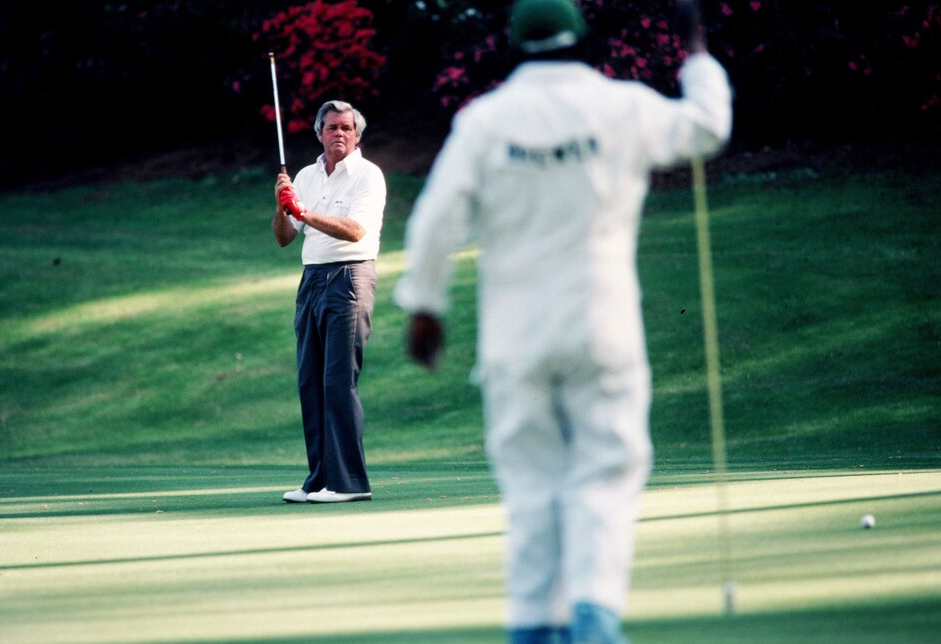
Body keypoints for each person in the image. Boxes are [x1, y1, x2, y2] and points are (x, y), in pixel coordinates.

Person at [393, 0, 731, 641]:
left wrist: (426, 307)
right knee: (604, 475)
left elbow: (435, 220)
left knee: (530, 489)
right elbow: (708, 127)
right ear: (583, 41)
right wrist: (695, 50)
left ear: (514, 46)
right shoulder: (622, 105)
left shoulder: (485, 121)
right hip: (602, 330)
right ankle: (595, 620)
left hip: (515, 340)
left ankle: (533, 629)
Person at [274, 100, 386, 504]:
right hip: (312, 279)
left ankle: (350, 482)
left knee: (338, 379)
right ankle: (320, 479)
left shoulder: (368, 176)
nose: (340, 133)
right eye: (332, 127)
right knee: (310, 380)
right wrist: (282, 205)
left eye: (347, 128)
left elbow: (355, 231)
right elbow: (285, 237)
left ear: (357, 135)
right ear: (319, 133)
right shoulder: (305, 175)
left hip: (349, 277)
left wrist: (303, 211)